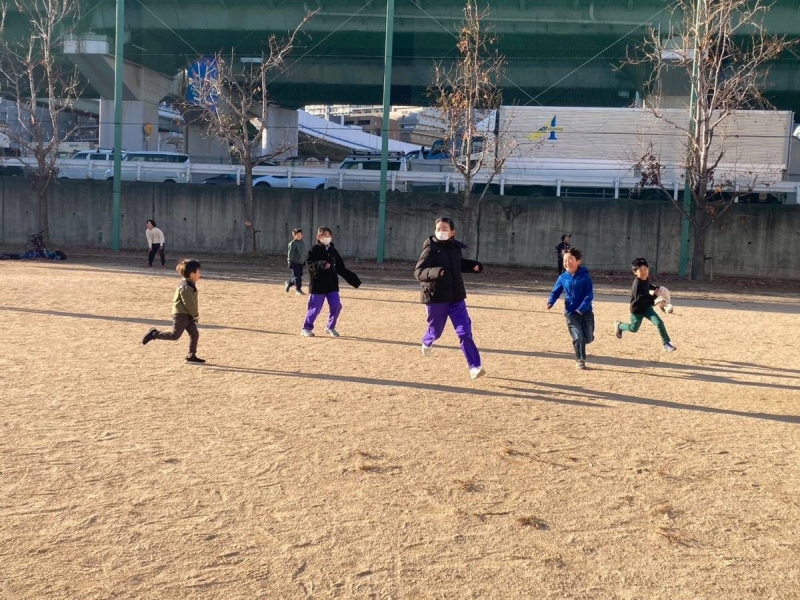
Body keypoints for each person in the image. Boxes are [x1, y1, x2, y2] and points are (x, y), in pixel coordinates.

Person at [414, 217, 486, 380]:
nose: (441, 231)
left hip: (456, 297)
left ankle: (475, 366)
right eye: (438, 229)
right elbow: (418, 272)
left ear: (452, 232)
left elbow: (458, 264)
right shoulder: (430, 249)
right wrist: (435, 272)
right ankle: (427, 340)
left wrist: (473, 266)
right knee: (436, 331)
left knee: (465, 332)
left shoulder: (455, 248)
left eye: (445, 229)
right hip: (436, 297)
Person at [142, 259, 205, 363]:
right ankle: (154, 334)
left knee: (194, 334)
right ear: (191, 274)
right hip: (181, 315)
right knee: (174, 336)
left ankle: (191, 355)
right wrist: (195, 314)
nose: (200, 274)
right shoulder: (186, 286)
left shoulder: (189, 284)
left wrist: (193, 315)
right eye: (198, 271)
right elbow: (188, 303)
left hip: (187, 314)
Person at [302, 227, 361, 337]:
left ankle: (330, 327)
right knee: (315, 308)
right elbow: (310, 264)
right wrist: (322, 264)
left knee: (336, 305)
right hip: (318, 285)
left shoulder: (333, 250)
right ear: (319, 236)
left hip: (332, 284)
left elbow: (341, 268)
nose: (327, 237)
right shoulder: (313, 250)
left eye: (329, 235)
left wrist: (354, 280)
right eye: (325, 235)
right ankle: (306, 328)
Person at [614, 257, 676, 352]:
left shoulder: (646, 279)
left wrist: (657, 289)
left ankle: (666, 343)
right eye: (641, 270)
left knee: (659, 323)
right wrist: (654, 297)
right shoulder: (636, 284)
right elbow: (639, 298)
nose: (644, 272)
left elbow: (649, 286)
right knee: (633, 329)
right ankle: (619, 325)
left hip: (647, 308)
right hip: (637, 310)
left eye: (645, 269)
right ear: (635, 272)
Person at [546, 247, 595, 369]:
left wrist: (582, 308)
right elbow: (555, 292)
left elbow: (589, 296)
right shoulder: (563, 277)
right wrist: (551, 301)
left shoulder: (585, 277)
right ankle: (580, 359)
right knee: (578, 337)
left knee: (588, 338)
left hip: (586, 312)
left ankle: (585, 339)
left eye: (570, 259)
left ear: (578, 261)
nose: (567, 262)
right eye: (565, 260)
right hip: (571, 313)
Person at [285, 228, 305, 295]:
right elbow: (290, 254)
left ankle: (289, 283)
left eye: (300, 234)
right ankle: (298, 289)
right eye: (297, 235)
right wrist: (289, 262)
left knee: (300, 276)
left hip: (301, 262)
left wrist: (303, 260)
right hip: (295, 262)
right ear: (294, 235)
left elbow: (303, 253)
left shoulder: (302, 242)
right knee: (297, 276)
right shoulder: (292, 243)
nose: (299, 236)